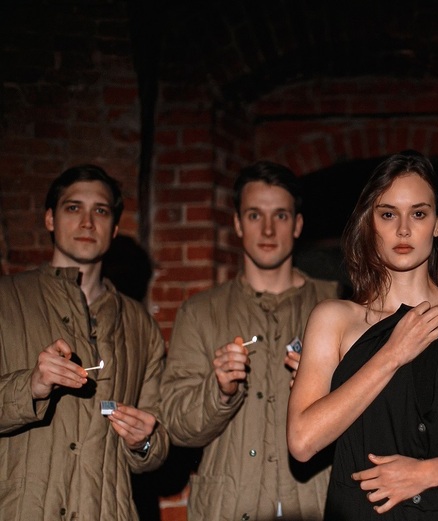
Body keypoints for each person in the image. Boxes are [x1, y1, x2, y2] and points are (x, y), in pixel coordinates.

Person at [287, 150, 438, 520]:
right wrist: (391, 355)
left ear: (437, 224)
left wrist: (425, 474)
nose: (403, 229)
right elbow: (303, 441)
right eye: (388, 214)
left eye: (418, 214)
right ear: (370, 223)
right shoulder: (334, 319)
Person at [160, 161, 340, 520]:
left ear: (298, 224)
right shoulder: (200, 312)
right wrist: (220, 391)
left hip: (315, 503)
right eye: (255, 215)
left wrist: (327, 386)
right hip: (228, 508)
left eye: (281, 216)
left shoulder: (335, 303)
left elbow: (370, 416)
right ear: (239, 224)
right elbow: (176, 427)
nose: (268, 229)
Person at [0, 164, 168, 519]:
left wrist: (144, 441)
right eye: (74, 207)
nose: (88, 222)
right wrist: (29, 386)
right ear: (50, 218)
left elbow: (156, 444)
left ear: (115, 228)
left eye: (101, 211)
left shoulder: (141, 325)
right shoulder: (6, 299)